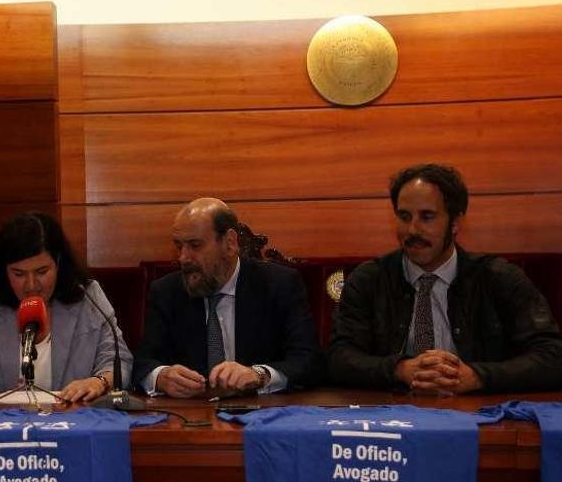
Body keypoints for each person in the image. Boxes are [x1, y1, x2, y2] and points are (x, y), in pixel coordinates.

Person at [329, 164, 562, 393]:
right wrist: (401, 369)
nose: (412, 230)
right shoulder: (369, 279)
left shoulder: (499, 278)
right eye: (404, 216)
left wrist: (477, 376)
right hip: (394, 413)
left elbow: (553, 356)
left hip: (478, 415)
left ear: (456, 222)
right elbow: (339, 358)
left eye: (427, 217)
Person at [133, 198, 324, 398]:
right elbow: (142, 362)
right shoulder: (166, 292)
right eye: (179, 246)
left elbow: (309, 360)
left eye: (195, 245)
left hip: (261, 415)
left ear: (230, 243)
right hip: (189, 415)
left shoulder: (279, 284)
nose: (183, 258)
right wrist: (161, 377)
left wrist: (259, 375)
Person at [0, 211, 132, 404]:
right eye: (18, 274)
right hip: (3, 425)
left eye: (41, 271)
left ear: (59, 264)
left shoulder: (87, 297)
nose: (31, 285)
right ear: (4, 271)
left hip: (72, 421)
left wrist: (99, 382)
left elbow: (119, 361)